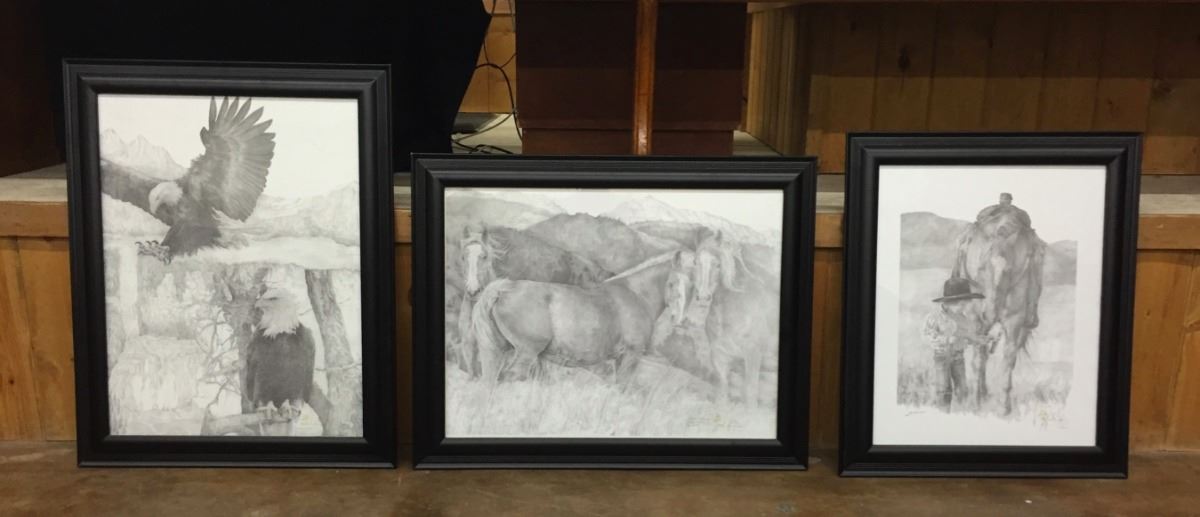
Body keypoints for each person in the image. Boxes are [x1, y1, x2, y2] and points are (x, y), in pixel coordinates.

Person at [922, 277, 990, 412]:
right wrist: (946, 340)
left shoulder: (963, 319)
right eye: (962, 305)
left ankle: (961, 414)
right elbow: (927, 335)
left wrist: (981, 340)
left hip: (959, 358)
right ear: (950, 302)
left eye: (965, 305)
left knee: (962, 388)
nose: (964, 308)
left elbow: (968, 337)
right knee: (943, 388)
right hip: (942, 357)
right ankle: (943, 414)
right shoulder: (935, 317)